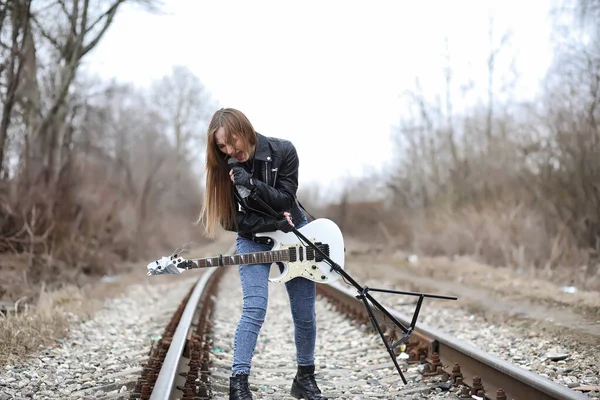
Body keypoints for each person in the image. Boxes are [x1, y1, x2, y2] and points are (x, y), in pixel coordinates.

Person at [197, 108, 328, 400]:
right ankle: (238, 384)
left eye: (232, 141)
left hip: (293, 232)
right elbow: (230, 220)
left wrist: (249, 183)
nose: (230, 150)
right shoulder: (224, 166)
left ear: (245, 130)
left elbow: (286, 198)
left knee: (305, 313)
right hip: (254, 237)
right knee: (254, 309)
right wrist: (269, 223)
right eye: (221, 146)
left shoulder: (284, 151)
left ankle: (305, 379)